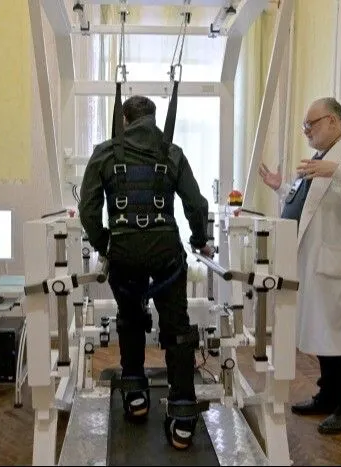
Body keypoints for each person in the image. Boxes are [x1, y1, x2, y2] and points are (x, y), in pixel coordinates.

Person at [78, 95, 213, 450]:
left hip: (124, 253)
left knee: (130, 319)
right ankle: (182, 415)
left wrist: (105, 244)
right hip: (166, 253)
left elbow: (88, 209)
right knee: (177, 329)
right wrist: (200, 240)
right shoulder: (172, 153)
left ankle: (136, 395)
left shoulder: (105, 153)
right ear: (153, 118)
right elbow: (196, 204)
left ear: (124, 119)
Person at [258, 97, 341, 434]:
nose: (306, 132)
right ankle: (328, 396)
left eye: (310, 125)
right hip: (316, 261)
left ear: (332, 121)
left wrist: (338, 171)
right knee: (324, 334)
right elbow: (308, 203)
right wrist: (281, 187)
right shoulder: (322, 157)